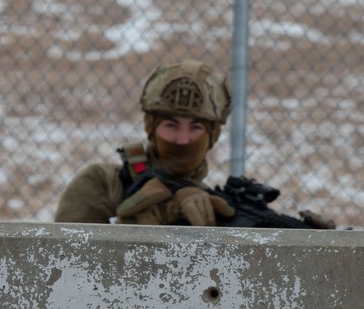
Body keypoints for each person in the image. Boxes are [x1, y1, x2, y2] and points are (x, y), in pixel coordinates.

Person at [54, 60, 235, 226]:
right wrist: (133, 230)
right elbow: (67, 257)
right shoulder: (102, 185)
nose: (182, 139)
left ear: (212, 135)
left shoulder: (217, 207)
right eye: (171, 125)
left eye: (195, 128)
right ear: (150, 127)